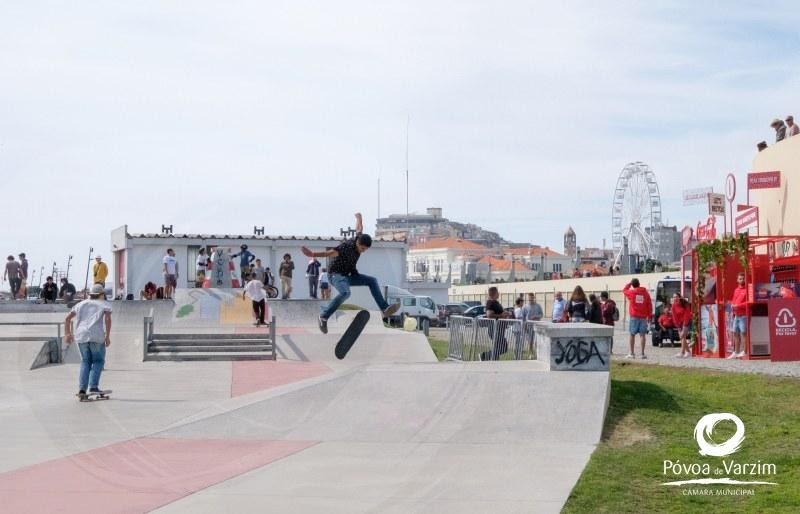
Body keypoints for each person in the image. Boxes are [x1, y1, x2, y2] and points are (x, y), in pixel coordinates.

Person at [302, 212, 400, 333]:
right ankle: (323, 316)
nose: (363, 252)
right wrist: (313, 254)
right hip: (335, 275)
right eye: (362, 249)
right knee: (345, 293)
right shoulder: (345, 247)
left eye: (365, 250)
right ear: (358, 243)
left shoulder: (359, 238)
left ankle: (384, 308)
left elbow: (359, 228)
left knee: (372, 281)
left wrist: (359, 218)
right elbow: (329, 253)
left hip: (349, 276)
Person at [64, 283, 112, 399]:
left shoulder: (81, 304)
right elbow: (107, 318)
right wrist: (107, 336)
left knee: (85, 361)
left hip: (81, 335)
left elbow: (67, 318)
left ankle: (82, 389)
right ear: (101, 294)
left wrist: (67, 334)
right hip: (96, 335)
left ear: (90, 294)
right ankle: (93, 386)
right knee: (98, 361)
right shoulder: (104, 304)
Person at [623, 278, 653, 359]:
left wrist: (629, 283)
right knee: (642, 335)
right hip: (643, 317)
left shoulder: (632, 292)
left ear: (633, 285)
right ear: (639, 284)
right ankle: (642, 354)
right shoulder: (646, 293)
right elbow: (649, 305)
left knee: (632, 335)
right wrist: (650, 316)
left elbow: (624, 290)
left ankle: (632, 353)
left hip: (634, 316)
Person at [480, 286, 511, 361]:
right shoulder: (490, 302)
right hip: (495, 329)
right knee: (503, 348)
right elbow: (489, 315)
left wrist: (505, 313)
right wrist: (502, 315)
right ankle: (484, 355)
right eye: (497, 292)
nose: (499, 294)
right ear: (494, 293)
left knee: (498, 347)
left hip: (499, 329)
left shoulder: (495, 302)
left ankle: (493, 360)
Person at [730, 272, 748, 359]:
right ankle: (736, 352)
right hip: (736, 315)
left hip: (743, 315)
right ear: (737, 280)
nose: (742, 280)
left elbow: (748, 303)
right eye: (740, 279)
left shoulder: (747, 290)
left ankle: (745, 351)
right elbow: (733, 300)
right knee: (735, 334)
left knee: (743, 334)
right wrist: (732, 305)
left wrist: (738, 306)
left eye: (743, 278)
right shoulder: (736, 290)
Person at [671, 293, 692, 358]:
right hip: (679, 323)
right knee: (682, 337)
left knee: (683, 336)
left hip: (687, 321)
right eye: (674, 297)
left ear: (680, 297)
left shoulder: (685, 304)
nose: (675, 298)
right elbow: (674, 317)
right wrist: (678, 326)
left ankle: (682, 353)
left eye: (676, 297)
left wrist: (684, 326)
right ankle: (688, 352)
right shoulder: (673, 306)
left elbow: (687, 315)